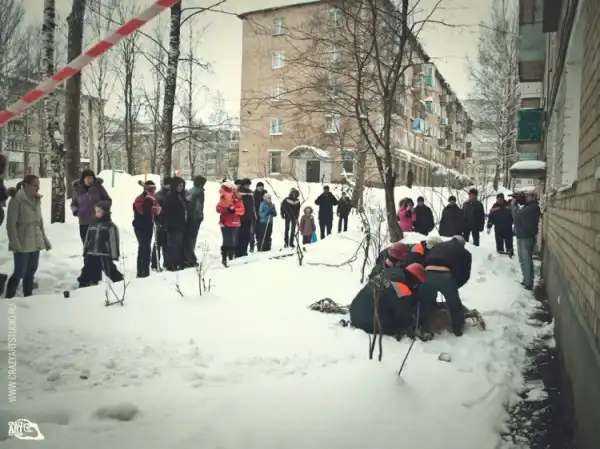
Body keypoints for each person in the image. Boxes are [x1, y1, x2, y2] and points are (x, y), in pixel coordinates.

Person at [5, 175, 51, 298]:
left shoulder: (36, 199)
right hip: (22, 241)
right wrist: (15, 243)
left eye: (38, 185)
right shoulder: (17, 200)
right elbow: (11, 225)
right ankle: (9, 298)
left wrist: (44, 239)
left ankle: (28, 298)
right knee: (19, 272)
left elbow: (40, 221)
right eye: (35, 185)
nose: (38, 188)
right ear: (26, 185)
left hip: (35, 241)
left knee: (31, 271)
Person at [350, 263, 426, 337]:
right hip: (368, 323)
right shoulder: (402, 288)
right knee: (396, 325)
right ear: (415, 281)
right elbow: (404, 318)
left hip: (354, 312)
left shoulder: (389, 272)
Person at [417, 235, 472, 337]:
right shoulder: (465, 253)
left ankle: (423, 328)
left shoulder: (439, 246)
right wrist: (454, 285)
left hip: (428, 273)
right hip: (445, 275)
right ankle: (457, 329)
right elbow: (465, 274)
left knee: (424, 303)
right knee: (454, 304)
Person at [78, 201, 124, 287]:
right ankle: (84, 285)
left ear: (105, 212)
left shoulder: (110, 226)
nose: (97, 213)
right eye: (96, 211)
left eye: (99, 211)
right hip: (91, 252)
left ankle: (120, 282)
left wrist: (114, 255)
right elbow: (87, 239)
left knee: (110, 269)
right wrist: (85, 250)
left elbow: (113, 241)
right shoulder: (92, 225)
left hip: (104, 253)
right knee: (87, 270)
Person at [71, 169, 111, 243]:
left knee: (97, 245)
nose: (90, 180)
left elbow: (108, 201)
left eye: (91, 178)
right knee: (86, 244)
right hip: (83, 222)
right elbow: (73, 204)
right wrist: (76, 211)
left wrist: (100, 206)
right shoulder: (77, 190)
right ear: (83, 179)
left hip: (97, 222)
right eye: (88, 178)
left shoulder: (99, 188)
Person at [512, 191, 541, 290]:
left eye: (528, 196)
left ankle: (528, 282)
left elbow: (517, 216)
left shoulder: (533, 208)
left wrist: (514, 205)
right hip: (522, 236)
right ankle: (526, 280)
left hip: (526, 237)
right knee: (523, 260)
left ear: (533, 197)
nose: (526, 198)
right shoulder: (529, 207)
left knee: (526, 260)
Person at [132, 180, 161, 278]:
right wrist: (149, 202)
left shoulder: (153, 198)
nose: (153, 191)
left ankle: (145, 271)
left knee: (146, 248)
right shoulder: (140, 199)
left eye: (154, 189)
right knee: (144, 248)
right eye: (151, 189)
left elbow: (158, 210)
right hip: (140, 227)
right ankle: (142, 272)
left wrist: (154, 208)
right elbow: (143, 211)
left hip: (149, 226)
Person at [161, 177, 187, 271]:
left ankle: (177, 263)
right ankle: (171, 264)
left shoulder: (179, 196)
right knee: (172, 246)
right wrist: (170, 225)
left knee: (178, 245)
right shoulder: (170, 197)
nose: (181, 187)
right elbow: (168, 213)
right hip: (172, 226)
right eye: (179, 186)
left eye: (182, 186)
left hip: (179, 225)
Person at [216, 182, 245, 266]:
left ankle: (231, 257)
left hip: (235, 223)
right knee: (226, 241)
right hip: (225, 223)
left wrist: (234, 210)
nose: (234, 191)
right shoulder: (223, 198)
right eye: (233, 190)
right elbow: (218, 209)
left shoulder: (238, 199)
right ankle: (224, 258)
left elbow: (242, 211)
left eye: (235, 190)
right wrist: (225, 209)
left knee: (233, 242)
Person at [184, 175, 206, 267]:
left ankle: (188, 257)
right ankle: (190, 259)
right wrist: (200, 217)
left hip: (188, 218)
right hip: (194, 219)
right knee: (192, 239)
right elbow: (198, 206)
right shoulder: (199, 192)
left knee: (188, 239)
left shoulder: (190, 191)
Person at [152, 177, 171, 270]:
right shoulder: (158, 195)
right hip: (160, 223)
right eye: (167, 184)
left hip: (168, 223)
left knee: (166, 244)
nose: (169, 186)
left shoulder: (171, 194)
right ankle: (155, 264)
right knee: (158, 243)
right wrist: (157, 220)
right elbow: (155, 210)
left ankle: (166, 263)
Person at [235, 178, 254, 257]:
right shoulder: (238, 191)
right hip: (240, 217)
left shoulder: (250, 192)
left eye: (249, 184)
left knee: (246, 235)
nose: (248, 186)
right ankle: (238, 252)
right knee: (239, 235)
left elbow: (252, 205)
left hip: (248, 217)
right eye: (247, 184)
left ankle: (244, 250)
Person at [251, 182, 267, 252]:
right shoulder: (254, 194)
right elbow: (252, 204)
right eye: (259, 187)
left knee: (262, 231)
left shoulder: (265, 194)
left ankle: (260, 245)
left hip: (263, 215)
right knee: (254, 231)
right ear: (257, 187)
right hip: (255, 214)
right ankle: (253, 245)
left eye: (262, 187)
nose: (261, 188)